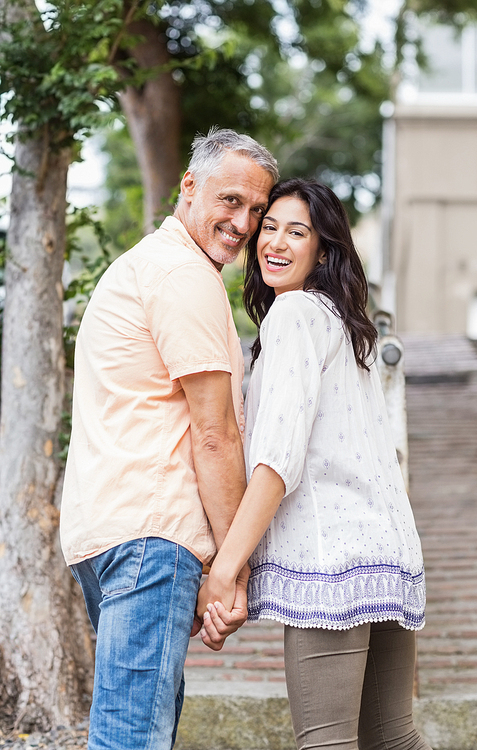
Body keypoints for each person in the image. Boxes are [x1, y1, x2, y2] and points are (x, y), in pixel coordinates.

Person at [59, 127, 278, 750]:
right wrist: (233, 570)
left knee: (135, 732)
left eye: (257, 210)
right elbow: (215, 435)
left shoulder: (147, 266)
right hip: (150, 538)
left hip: (114, 533)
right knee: (132, 740)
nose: (243, 223)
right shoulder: (183, 275)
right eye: (231, 200)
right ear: (190, 187)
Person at [198, 178, 432, 750]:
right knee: (393, 740)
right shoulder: (346, 322)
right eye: (269, 227)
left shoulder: (295, 313)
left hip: (332, 564)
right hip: (388, 555)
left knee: (326, 743)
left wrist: (225, 568)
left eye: (296, 232)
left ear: (323, 250)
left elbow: (278, 461)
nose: (274, 242)